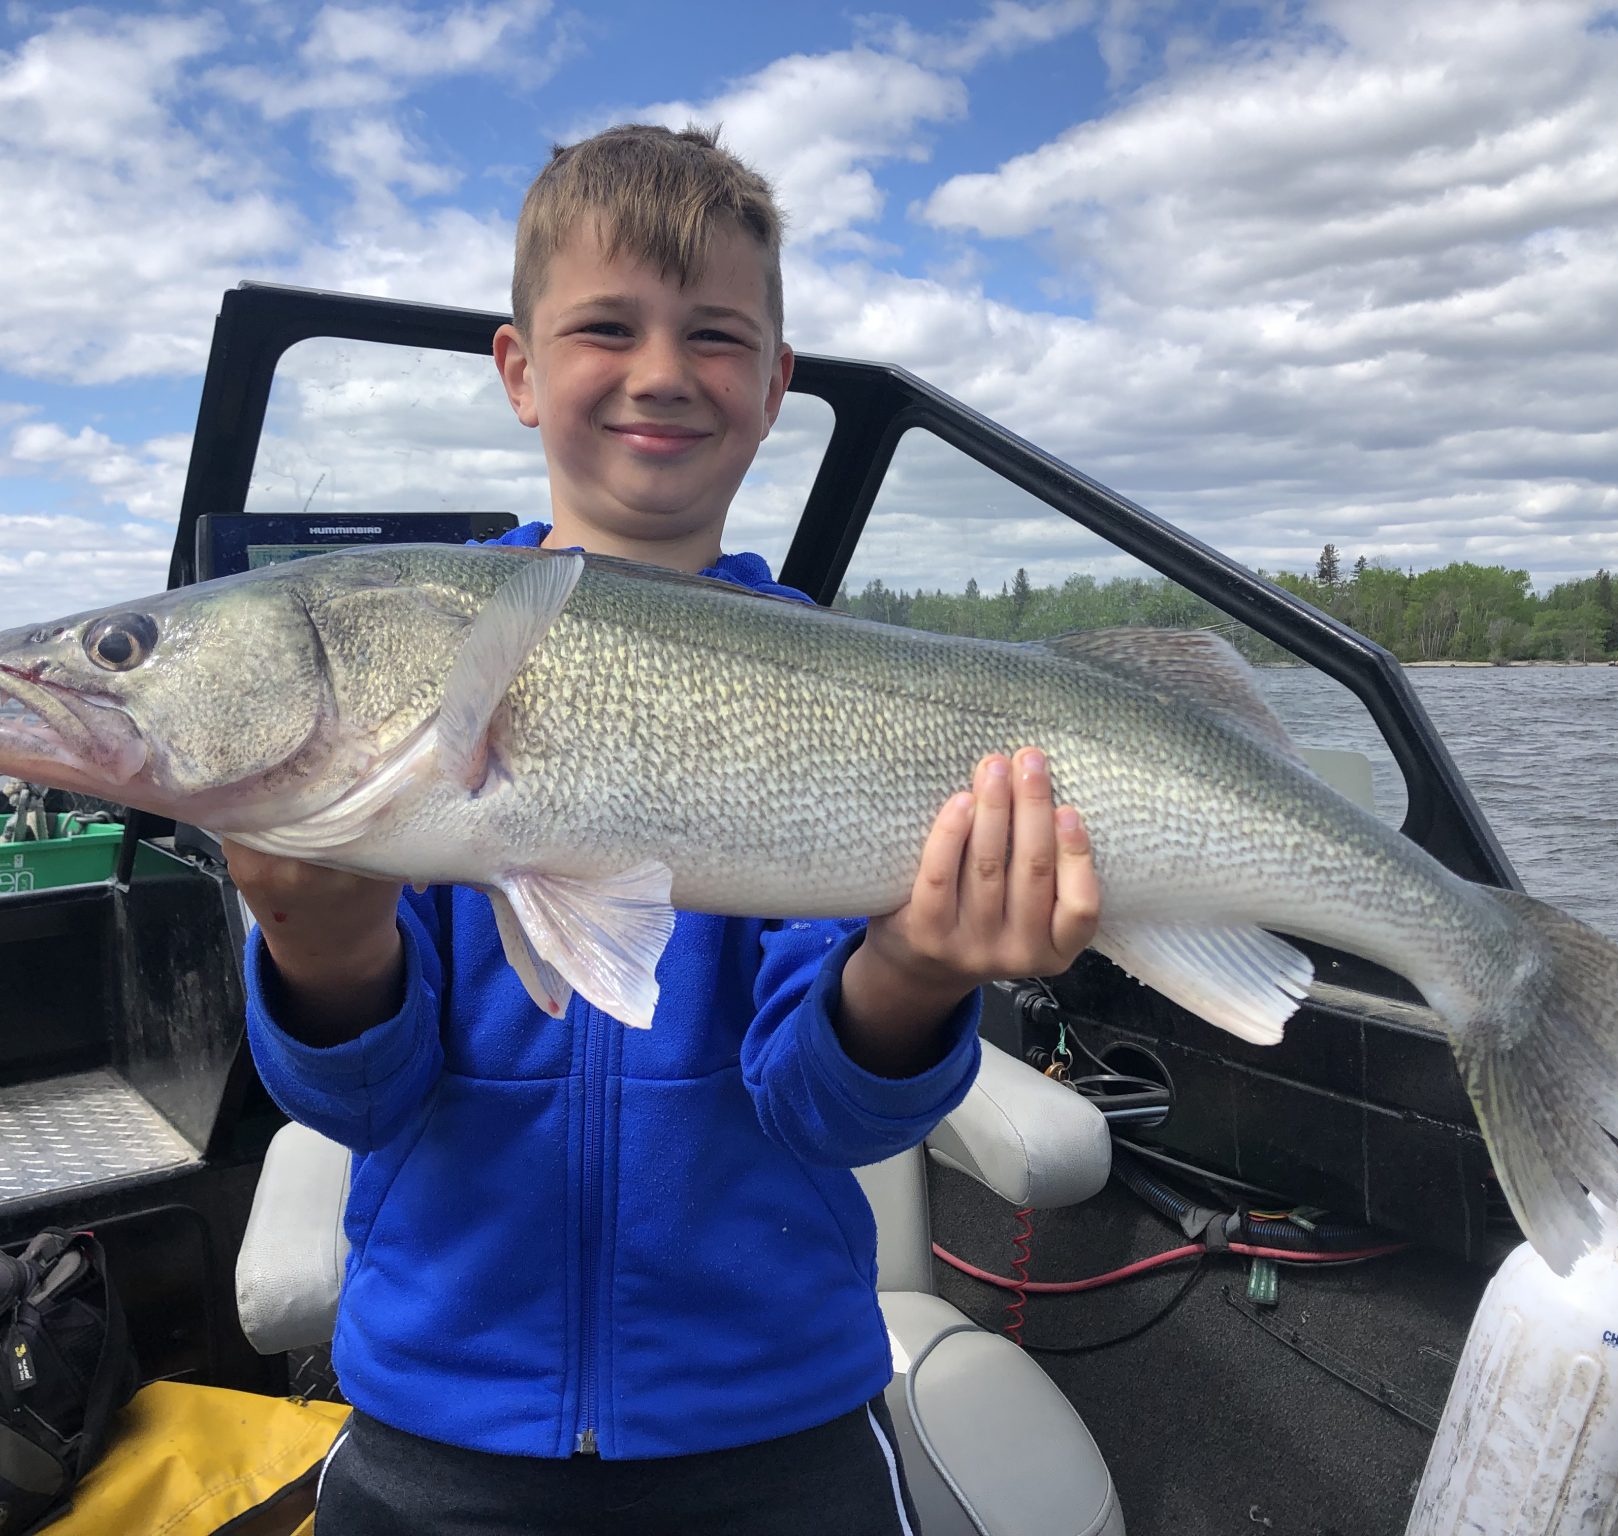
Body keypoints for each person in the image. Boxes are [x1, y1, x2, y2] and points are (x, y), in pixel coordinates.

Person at [226, 123, 1100, 1536]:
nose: (658, 372)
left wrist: (925, 971)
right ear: (517, 369)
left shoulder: (837, 687)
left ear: (771, 387)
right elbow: (359, 1105)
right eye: (604, 327)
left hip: (779, 1434)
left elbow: (823, 1110)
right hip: (438, 1435)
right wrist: (319, 951)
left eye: (713, 335)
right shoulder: (391, 697)